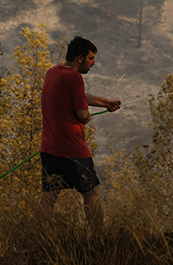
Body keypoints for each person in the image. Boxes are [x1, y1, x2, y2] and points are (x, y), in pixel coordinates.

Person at [38, 36, 121, 227]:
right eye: (91, 58)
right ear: (80, 58)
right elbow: (82, 114)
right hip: (73, 149)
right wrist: (85, 116)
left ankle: (38, 237)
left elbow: (76, 95)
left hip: (49, 148)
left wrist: (106, 103)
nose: (93, 63)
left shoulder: (53, 72)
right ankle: (97, 237)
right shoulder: (75, 77)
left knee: (48, 197)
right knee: (91, 194)